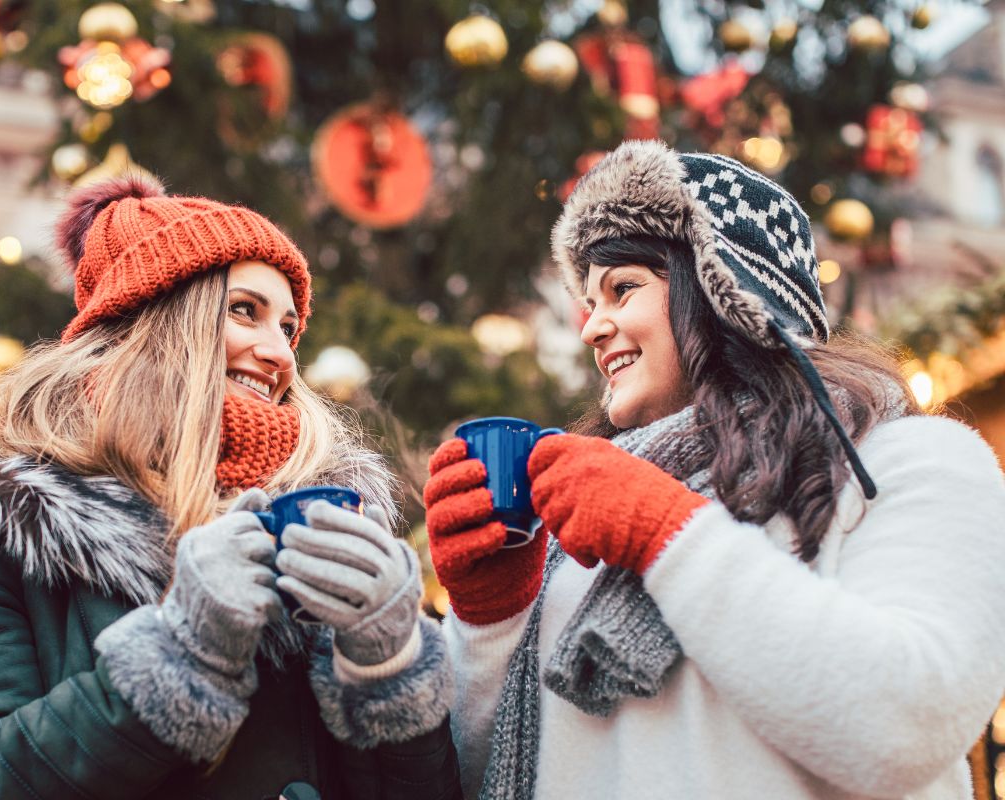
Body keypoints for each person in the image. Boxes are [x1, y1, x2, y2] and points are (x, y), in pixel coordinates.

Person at [423, 140, 1005, 799]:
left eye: (623, 289)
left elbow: (908, 726)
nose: (592, 327)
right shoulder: (583, 520)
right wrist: (491, 619)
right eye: (590, 301)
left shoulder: (908, 459)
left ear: (725, 292)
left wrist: (670, 535)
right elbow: (495, 775)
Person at [0, 174, 460, 799]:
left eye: (289, 326)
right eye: (243, 310)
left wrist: (387, 666)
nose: (280, 354)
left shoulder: (326, 527)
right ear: (157, 325)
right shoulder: (8, 532)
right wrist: (180, 654)